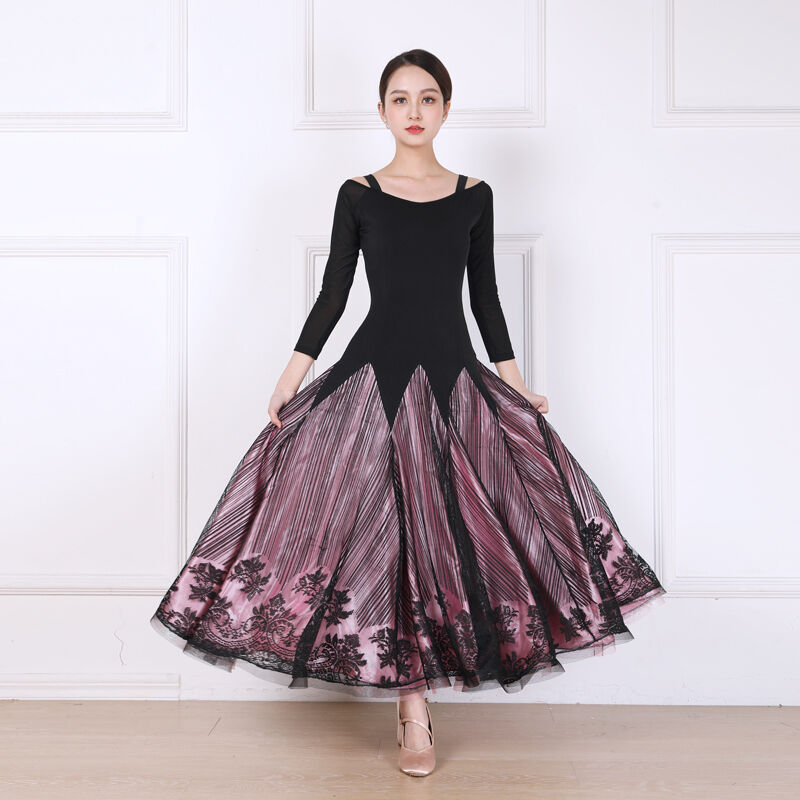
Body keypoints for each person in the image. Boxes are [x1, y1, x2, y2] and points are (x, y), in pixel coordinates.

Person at [150, 49, 666, 778]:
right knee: (380, 541)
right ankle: (413, 710)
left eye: (427, 98)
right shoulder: (358, 194)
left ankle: (414, 704)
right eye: (400, 98)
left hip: (454, 381)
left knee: (452, 538)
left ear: (446, 109)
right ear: (383, 110)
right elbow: (334, 297)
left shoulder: (474, 196)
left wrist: (517, 386)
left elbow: (485, 299)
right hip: (372, 381)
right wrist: (289, 378)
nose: (414, 111)